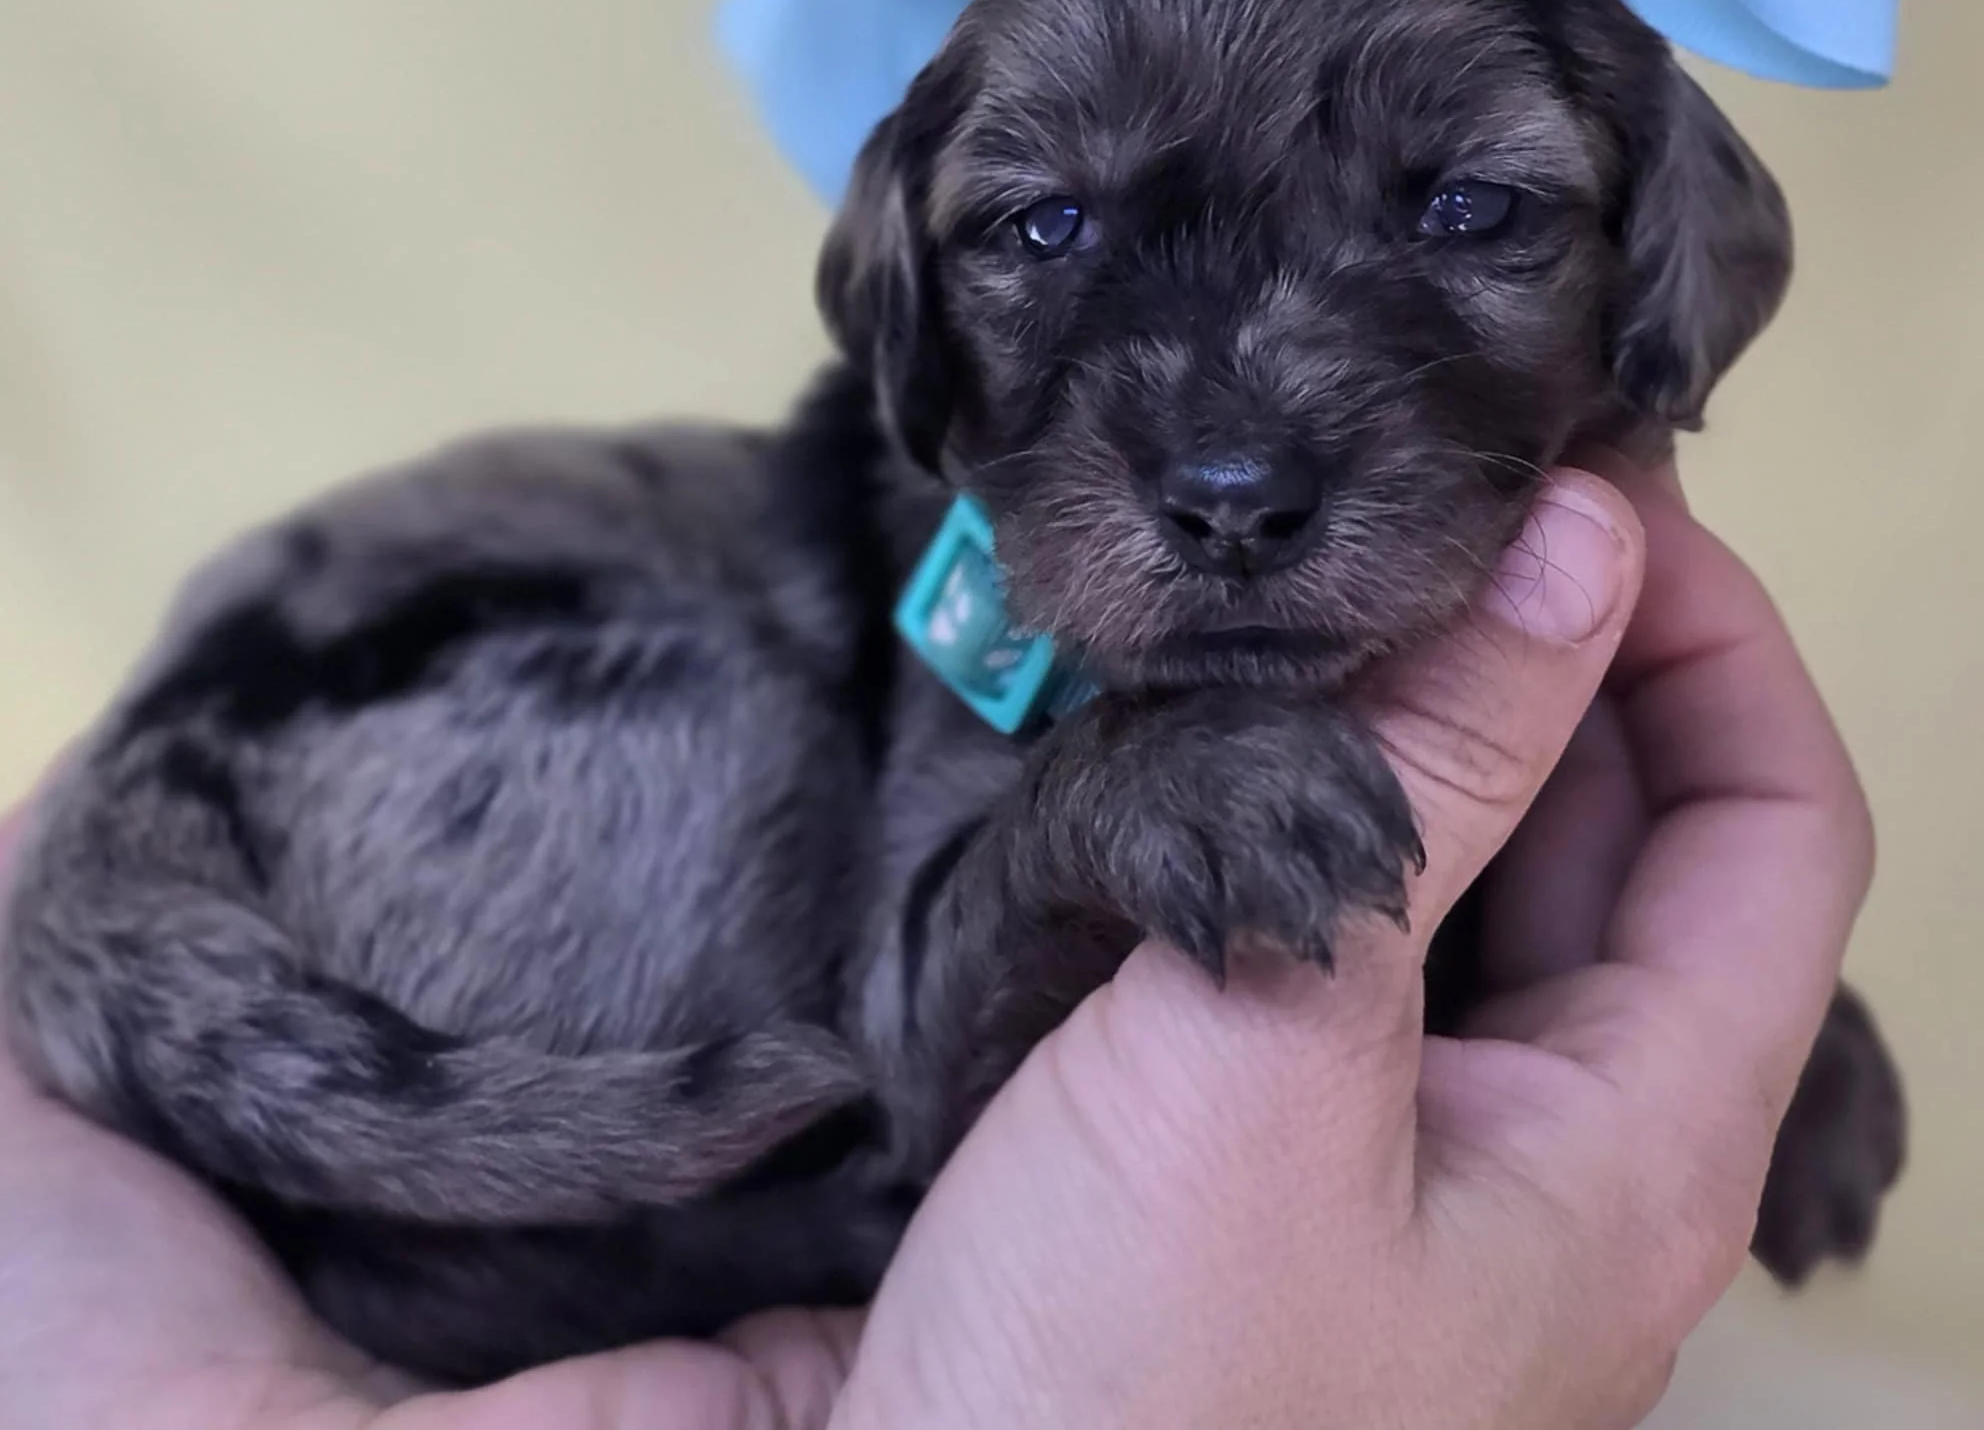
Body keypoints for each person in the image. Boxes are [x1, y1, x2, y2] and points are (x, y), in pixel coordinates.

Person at [0, 453, 1873, 1430]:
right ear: (916, 301)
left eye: (1468, 212)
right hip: (373, 824)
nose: (1230, 448)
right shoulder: (927, 604)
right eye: (1049, 233)